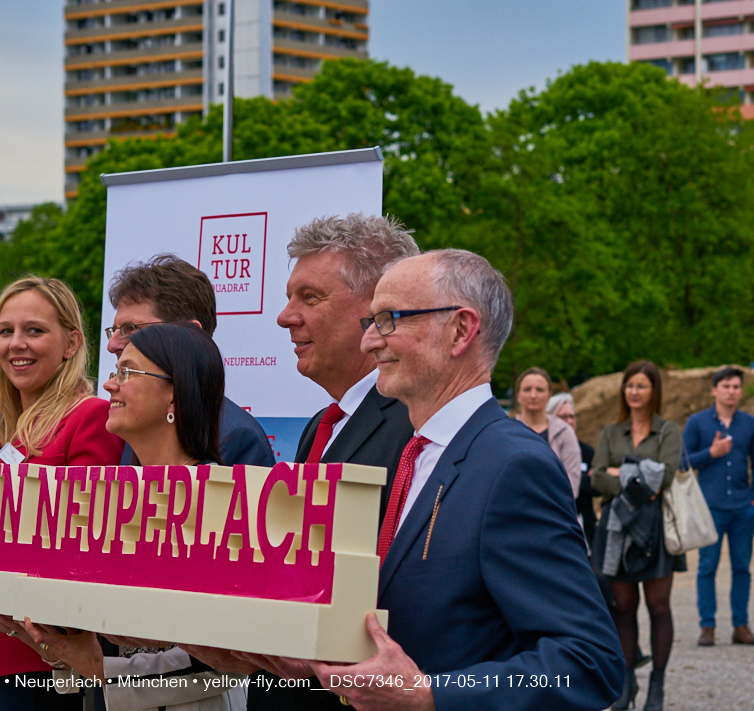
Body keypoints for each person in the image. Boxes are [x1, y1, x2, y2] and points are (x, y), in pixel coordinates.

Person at [237, 250, 624, 711]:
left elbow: (588, 662)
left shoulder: (512, 466)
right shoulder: (413, 453)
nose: (368, 343)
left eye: (388, 320)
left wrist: (428, 694)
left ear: (461, 330)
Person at [219, 213, 414, 711]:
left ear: (377, 310)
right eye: (289, 297)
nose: (284, 317)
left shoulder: (415, 430)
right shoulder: (321, 425)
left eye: (309, 297)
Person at [13, 323, 246, 711]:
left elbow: (229, 661)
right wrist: (53, 640)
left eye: (127, 372)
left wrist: (99, 665)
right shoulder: (114, 497)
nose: (109, 386)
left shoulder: (219, 500)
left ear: (175, 393)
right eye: (113, 371)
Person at [0, 277, 123, 711]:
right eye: (6, 331)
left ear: (71, 343)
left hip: (45, 658)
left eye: (34, 330)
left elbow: (81, 538)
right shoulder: (0, 429)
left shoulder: (89, 415)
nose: (16, 344)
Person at [106, 254, 274, 468]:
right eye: (114, 331)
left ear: (190, 334)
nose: (112, 344)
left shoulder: (236, 436)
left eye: (130, 329)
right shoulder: (137, 425)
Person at [591, 361, 682, 710]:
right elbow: (597, 478)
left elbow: (666, 477)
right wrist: (638, 475)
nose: (633, 392)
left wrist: (622, 473)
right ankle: (625, 685)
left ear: (653, 390)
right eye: (629, 385)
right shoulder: (611, 432)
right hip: (616, 530)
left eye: (641, 386)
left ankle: (657, 687)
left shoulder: (668, 431)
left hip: (655, 530)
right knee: (623, 609)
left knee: (659, 607)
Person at [683, 367, 754, 647]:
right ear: (714, 390)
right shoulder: (698, 423)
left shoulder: (750, 424)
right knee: (707, 567)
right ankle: (707, 626)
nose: (732, 391)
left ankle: (740, 626)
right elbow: (682, 463)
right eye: (726, 386)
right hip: (711, 507)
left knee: (742, 567)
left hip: (743, 507)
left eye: (736, 386)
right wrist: (711, 453)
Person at [514, 367, 581, 498]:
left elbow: (572, 482)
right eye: (527, 389)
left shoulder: (564, 431)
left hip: (554, 510)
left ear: (549, 395)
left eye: (540, 390)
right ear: (518, 395)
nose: (533, 395)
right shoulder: (506, 432)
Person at [550, 393, 599, 544]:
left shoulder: (586, 451)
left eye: (572, 416)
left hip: (585, 529)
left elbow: (597, 485)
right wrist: (582, 478)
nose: (570, 421)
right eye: (563, 417)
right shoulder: (545, 449)